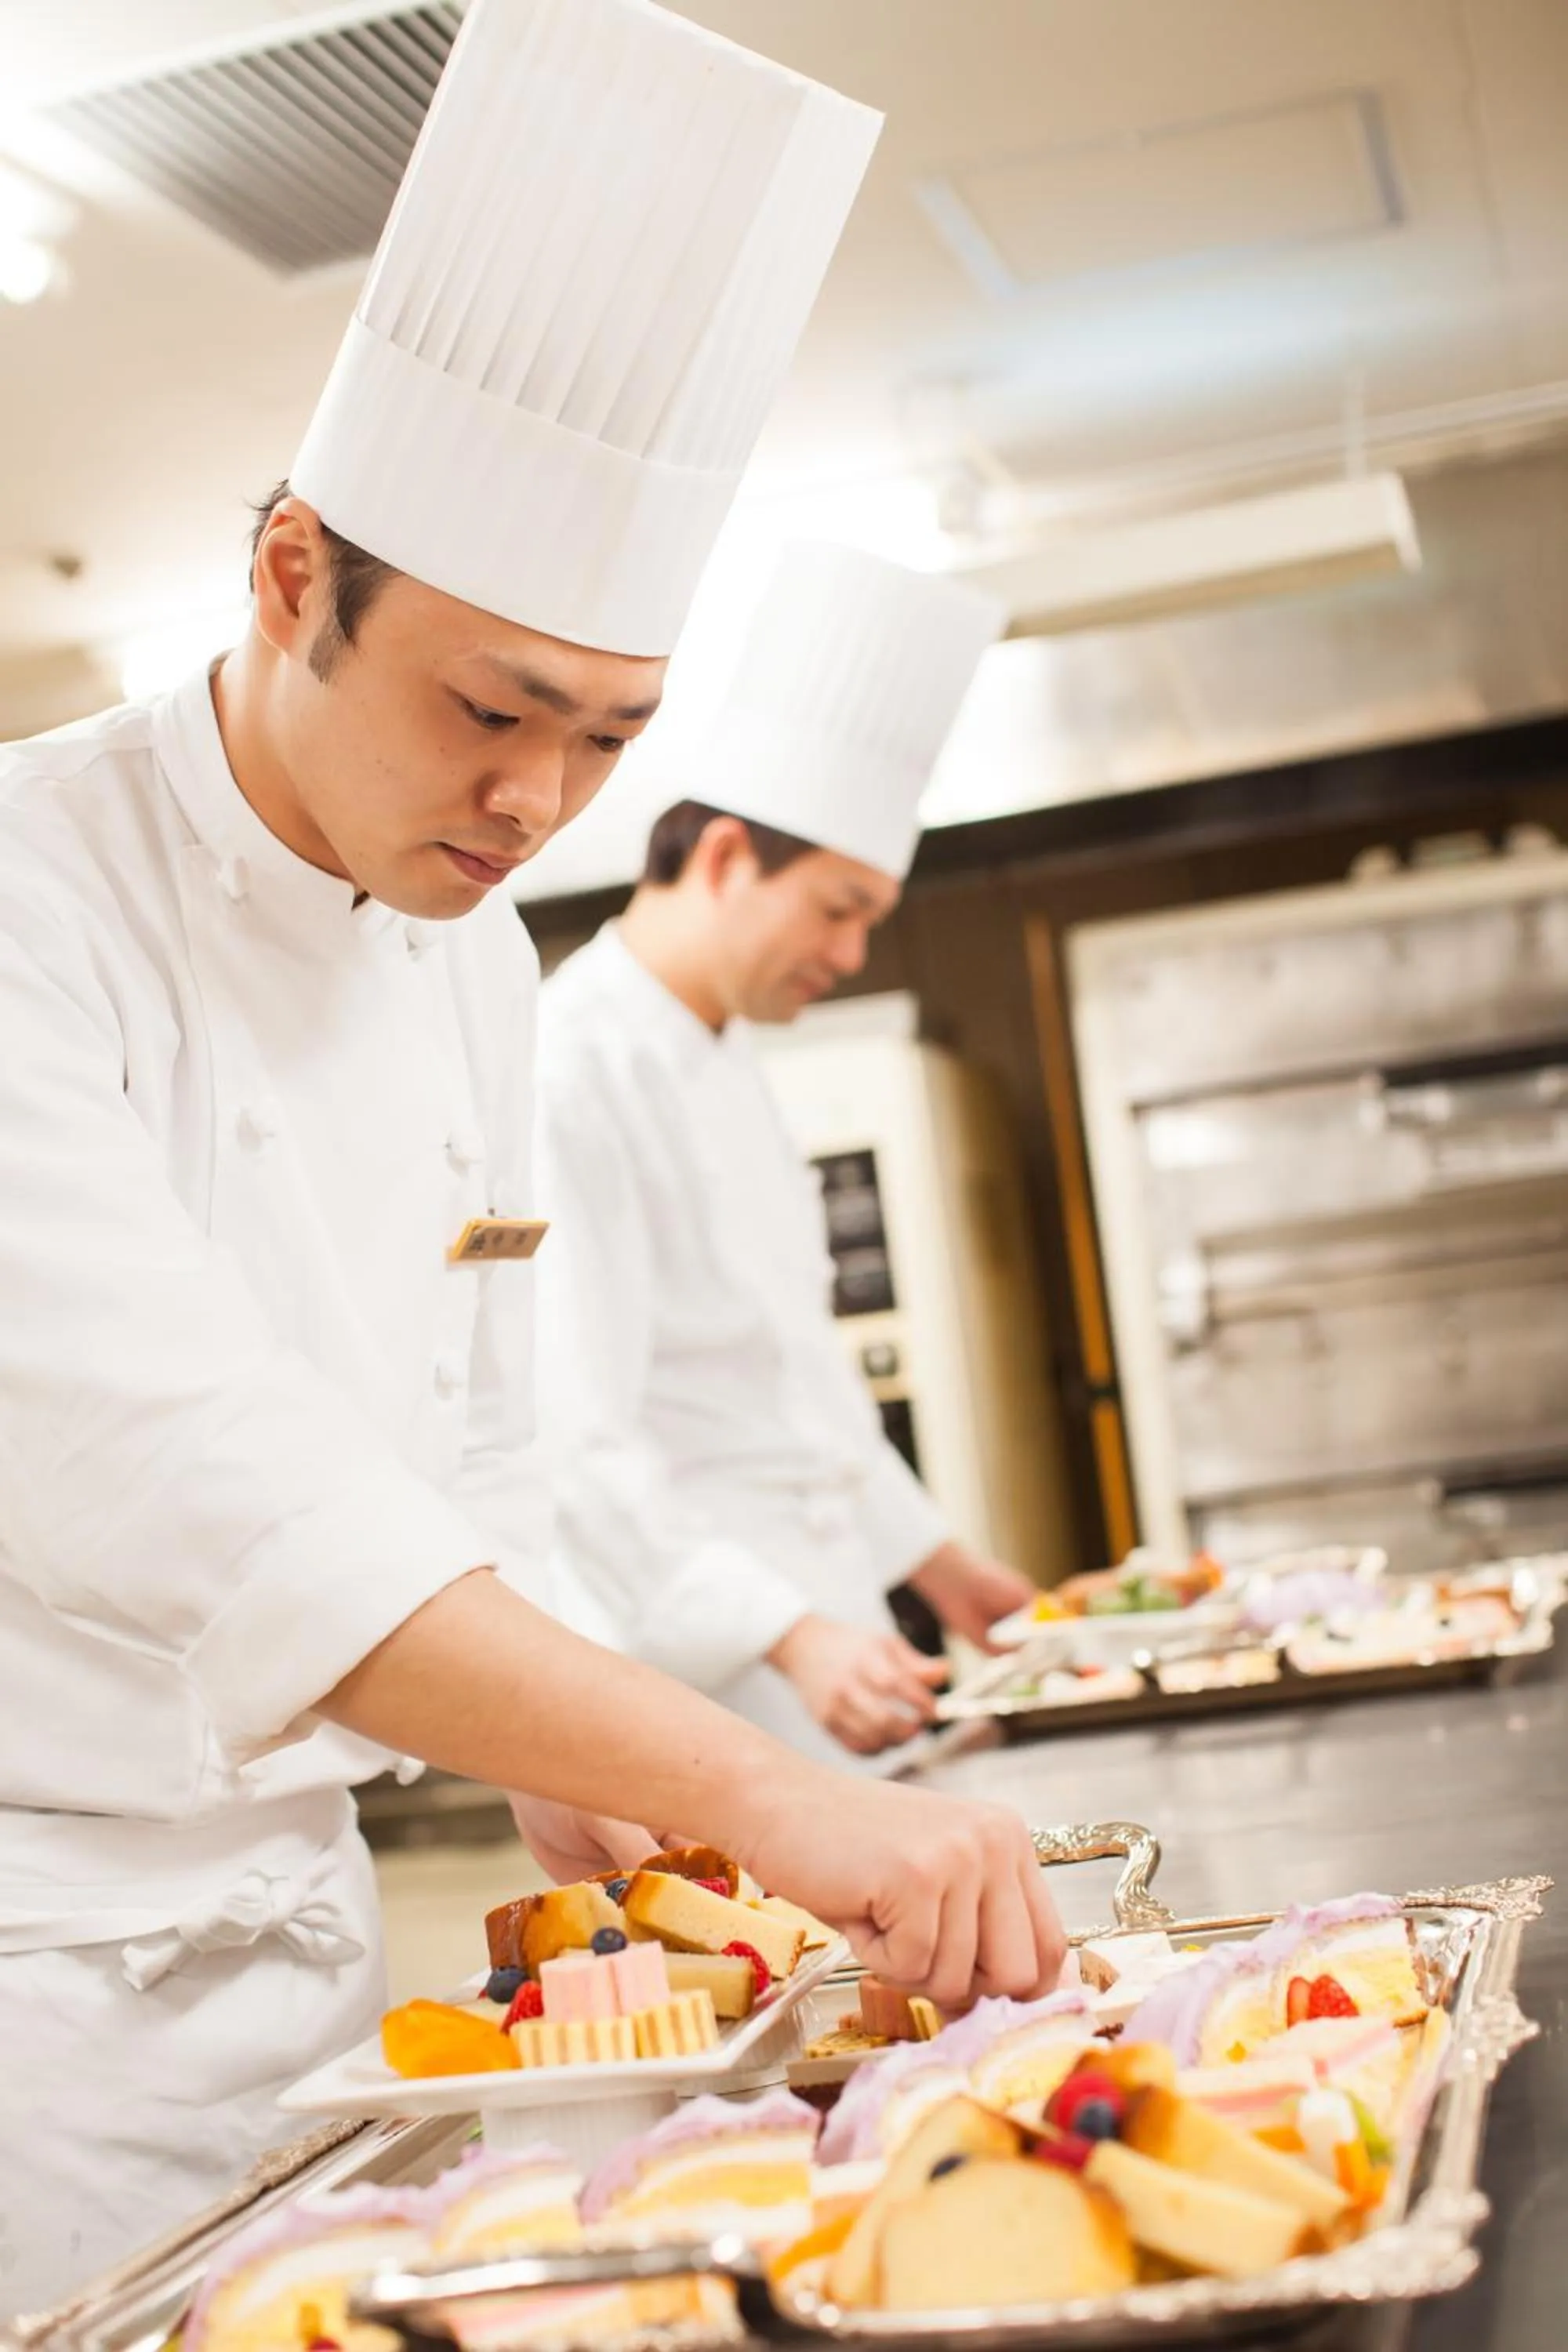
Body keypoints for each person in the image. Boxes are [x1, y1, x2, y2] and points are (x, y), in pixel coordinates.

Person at [0, 2, 1065, 2314]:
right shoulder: (26, 906)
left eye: (605, 741)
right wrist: (762, 1777)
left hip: (304, 1951)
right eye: (489, 709)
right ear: (293, 574)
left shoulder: (474, 960)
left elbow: (469, 1442)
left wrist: (580, 1757)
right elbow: (197, 1473)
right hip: (29, 1998)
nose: (530, 805)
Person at [535, 542, 1040, 1769]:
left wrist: (936, 1562)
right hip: (703, 1660)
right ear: (721, 862)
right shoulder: (564, 1065)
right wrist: (787, 1633)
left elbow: (793, 1383)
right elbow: (572, 1434)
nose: (854, 953)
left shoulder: (727, 1064)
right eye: (839, 908)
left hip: (828, 1629)